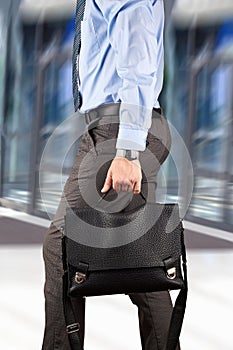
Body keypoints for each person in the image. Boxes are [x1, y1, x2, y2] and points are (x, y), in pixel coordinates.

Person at [42, 0, 180, 349]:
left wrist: (127, 151)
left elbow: (138, 62)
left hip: (118, 132)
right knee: (138, 253)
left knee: (61, 246)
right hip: (111, 129)